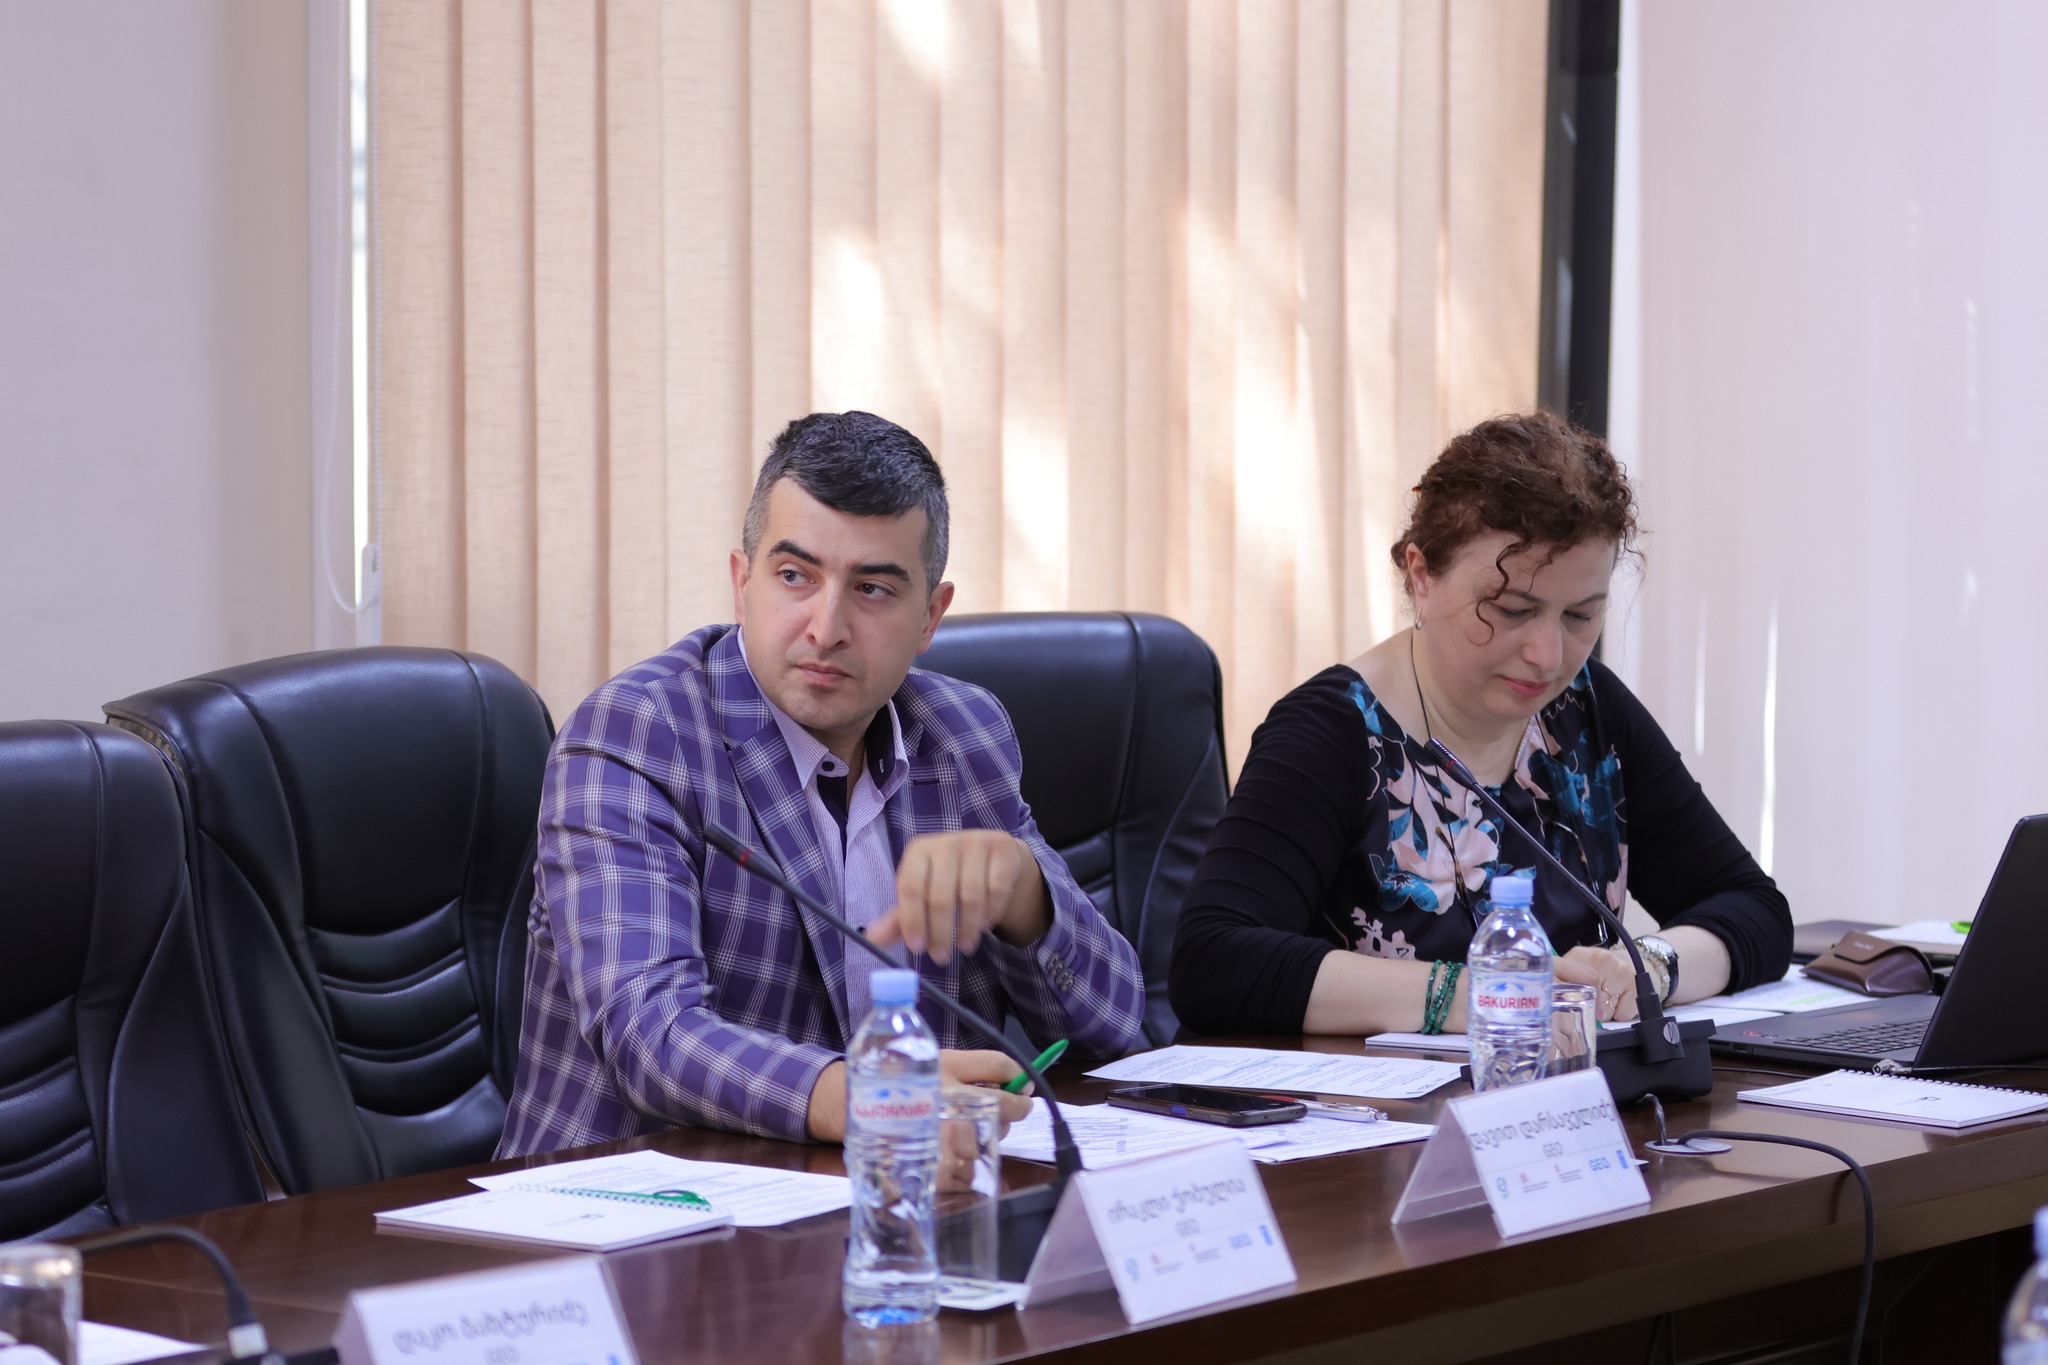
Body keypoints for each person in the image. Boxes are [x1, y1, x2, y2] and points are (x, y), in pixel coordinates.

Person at [499, 411, 1145, 1157]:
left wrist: (1030, 898)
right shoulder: (637, 733)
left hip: (904, 1193)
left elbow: (1115, 1027)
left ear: (930, 617)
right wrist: (869, 1096)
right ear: (742, 583)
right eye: (794, 577)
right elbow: (648, 1033)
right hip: (635, 1200)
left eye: (872, 588)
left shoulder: (964, 735)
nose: (826, 626)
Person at [1168, 411, 1790, 1039]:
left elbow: (1753, 909)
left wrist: (1649, 966)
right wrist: (1482, 994)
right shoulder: (1332, 732)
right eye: (1511, 610)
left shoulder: (1587, 709)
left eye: (1580, 616)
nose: (1548, 656)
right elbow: (1214, 963)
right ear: (1421, 577)